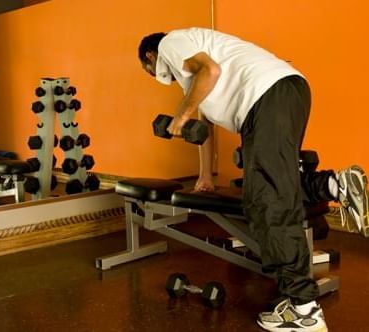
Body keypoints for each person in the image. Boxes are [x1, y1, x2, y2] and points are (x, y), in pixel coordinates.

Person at [138, 27, 368, 331]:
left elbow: (211, 70)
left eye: (147, 68)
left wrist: (180, 117)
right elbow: (205, 128)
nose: (151, 72)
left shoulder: (171, 43)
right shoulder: (193, 76)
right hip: (286, 92)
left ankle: (303, 309)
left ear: (150, 56)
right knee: (278, 183)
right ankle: (335, 185)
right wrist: (205, 174)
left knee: (267, 198)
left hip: (265, 98)